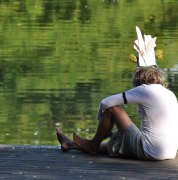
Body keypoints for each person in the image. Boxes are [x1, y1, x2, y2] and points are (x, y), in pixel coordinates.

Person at [56, 27, 178, 160]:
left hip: (151, 151)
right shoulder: (169, 93)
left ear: (138, 76)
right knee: (120, 135)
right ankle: (71, 145)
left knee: (112, 109)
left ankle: (93, 145)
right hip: (169, 153)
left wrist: (104, 129)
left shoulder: (144, 89)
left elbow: (106, 103)